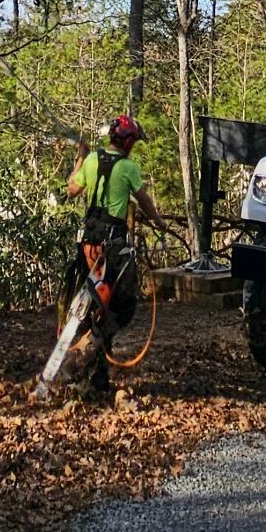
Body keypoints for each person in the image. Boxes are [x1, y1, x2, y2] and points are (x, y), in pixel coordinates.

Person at [64, 116, 171, 392]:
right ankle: (88, 349)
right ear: (126, 142)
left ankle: (97, 376)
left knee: (97, 306)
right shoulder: (127, 167)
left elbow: (72, 189)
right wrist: (159, 222)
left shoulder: (91, 161)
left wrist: (81, 159)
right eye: (133, 141)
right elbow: (144, 200)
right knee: (122, 307)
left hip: (88, 245)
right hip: (113, 250)